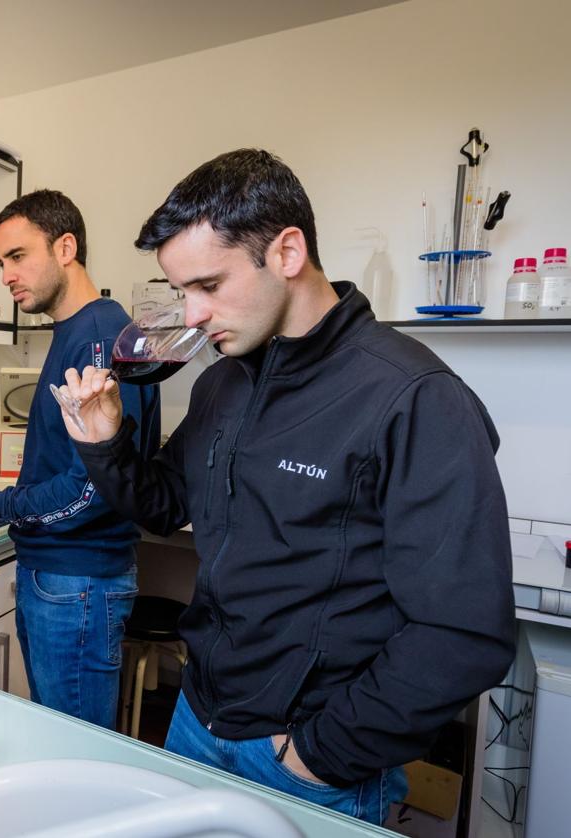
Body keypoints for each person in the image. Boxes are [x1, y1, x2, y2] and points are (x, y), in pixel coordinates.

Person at [56, 150, 515, 824]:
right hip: (195, 718)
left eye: (209, 285)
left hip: (305, 756)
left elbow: (463, 631)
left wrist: (320, 753)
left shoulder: (413, 399)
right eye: (181, 290)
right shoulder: (222, 381)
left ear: (288, 251)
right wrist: (103, 442)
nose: (192, 314)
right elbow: (165, 507)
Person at [0, 189, 160, 730]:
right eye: (0, 262)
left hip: (77, 582)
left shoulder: (97, 336)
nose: (6, 275)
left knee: (77, 752)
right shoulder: (81, 330)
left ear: (65, 247)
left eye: (17, 256)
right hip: (66, 578)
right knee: (61, 735)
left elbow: (89, 490)